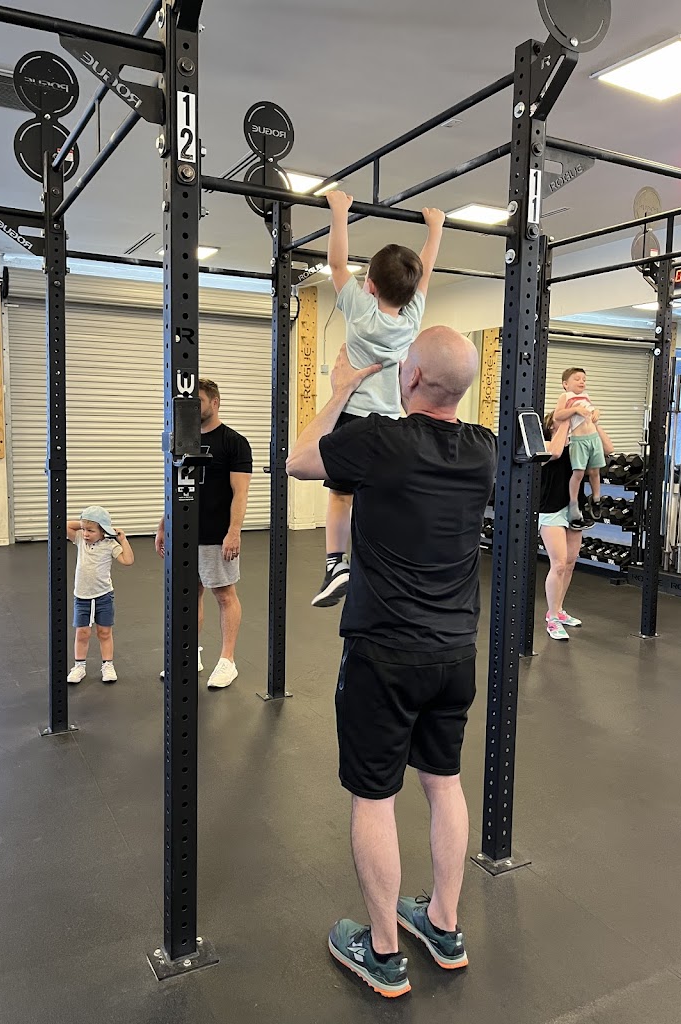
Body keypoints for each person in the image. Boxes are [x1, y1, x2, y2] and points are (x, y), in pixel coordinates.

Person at [287, 328, 496, 999]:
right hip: (454, 652)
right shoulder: (485, 448)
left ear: (411, 378)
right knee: (444, 782)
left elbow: (298, 460)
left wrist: (340, 391)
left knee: (374, 797)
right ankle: (443, 925)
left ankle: (382, 952)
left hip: (384, 653)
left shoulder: (382, 441)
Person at [311, 191, 445, 608]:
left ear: (369, 285)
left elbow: (337, 264)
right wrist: (435, 229)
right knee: (380, 493)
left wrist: (340, 213)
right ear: (409, 292)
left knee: (341, 495)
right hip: (390, 420)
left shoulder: (360, 310)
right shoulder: (410, 320)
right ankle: (383, 560)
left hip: (353, 416)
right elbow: (425, 272)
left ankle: (335, 565)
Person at [155, 378, 252, 689]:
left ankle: (227, 661)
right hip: (184, 533)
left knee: (224, 594)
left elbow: (240, 493)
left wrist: (234, 532)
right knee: (189, 593)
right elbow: (177, 486)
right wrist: (164, 524)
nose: (192, 409)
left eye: (198, 402)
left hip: (216, 534)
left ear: (215, 402)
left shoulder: (234, 442)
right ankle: (189, 654)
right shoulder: (182, 440)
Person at [539, 410, 614, 641]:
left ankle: (558, 609)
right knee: (559, 564)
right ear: (551, 426)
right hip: (550, 510)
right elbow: (555, 453)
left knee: (570, 563)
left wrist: (592, 423)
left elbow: (608, 449)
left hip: (574, 510)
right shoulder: (545, 445)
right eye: (562, 422)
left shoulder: (578, 445)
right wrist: (566, 420)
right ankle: (552, 618)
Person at [66, 506, 134, 684]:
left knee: (104, 632)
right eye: (84, 529)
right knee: (82, 633)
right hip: (82, 597)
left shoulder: (110, 545)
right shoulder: (80, 539)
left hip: (103, 596)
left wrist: (122, 539)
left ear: (102, 530)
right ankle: (79, 666)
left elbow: (128, 560)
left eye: (91, 530)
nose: (86, 534)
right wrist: (85, 522)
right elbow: (65, 526)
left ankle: (108, 665)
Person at [552, 367, 607, 528]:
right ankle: (574, 504)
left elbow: (592, 412)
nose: (581, 382)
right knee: (579, 473)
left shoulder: (586, 396)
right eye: (577, 379)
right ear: (565, 384)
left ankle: (596, 499)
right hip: (579, 440)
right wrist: (575, 409)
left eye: (584, 379)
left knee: (595, 471)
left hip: (593, 438)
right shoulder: (565, 396)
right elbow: (557, 415)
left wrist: (596, 412)